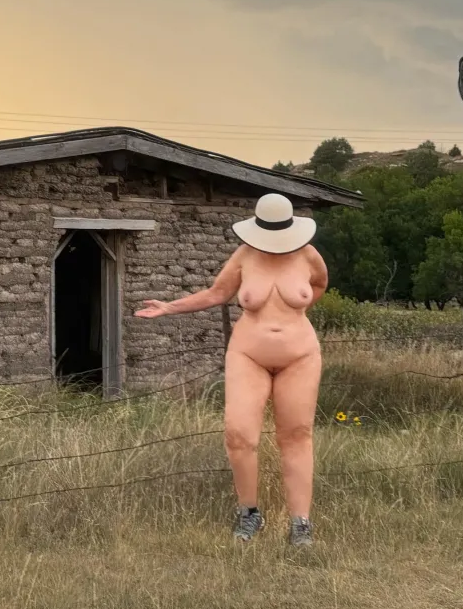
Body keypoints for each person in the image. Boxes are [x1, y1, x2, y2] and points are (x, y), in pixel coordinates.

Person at [134, 192, 328, 546]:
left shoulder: (308, 255)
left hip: (300, 356)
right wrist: (169, 307)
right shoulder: (244, 256)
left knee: (296, 434)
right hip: (247, 354)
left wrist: (290, 318)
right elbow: (216, 294)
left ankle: (301, 522)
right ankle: (249, 513)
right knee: (239, 435)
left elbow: (318, 287)